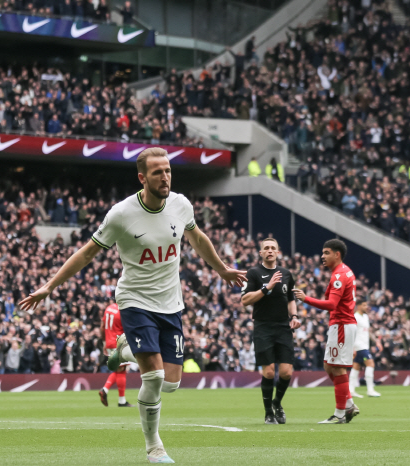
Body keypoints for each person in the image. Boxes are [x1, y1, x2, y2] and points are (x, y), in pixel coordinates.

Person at [20, 148, 246, 464]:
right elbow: (86, 253)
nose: (165, 177)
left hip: (171, 304)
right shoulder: (121, 214)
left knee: (171, 383)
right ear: (142, 177)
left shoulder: (181, 205)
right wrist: (49, 286)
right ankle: (155, 448)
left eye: (167, 170)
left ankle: (125, 350)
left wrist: (221, 268)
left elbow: (197, 238)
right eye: (157, 172)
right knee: (152, 377)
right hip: (135, 301)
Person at [294, 239, 359, 424]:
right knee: (328, 366)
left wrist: (305, 299)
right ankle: (349, 404)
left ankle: (340, 414)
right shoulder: (344, 271)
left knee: (337, 368)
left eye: (326, 252)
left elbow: (331, 304)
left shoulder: (339, 276)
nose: (322, 256)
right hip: (340, 324)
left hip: (342, 325)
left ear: (337, 254)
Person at [240, 238, 300, 424]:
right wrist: (267, 288)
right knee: (268, 373)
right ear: (260, 253)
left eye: (273, 248)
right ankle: (268, 413)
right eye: (266, 248)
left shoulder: (286, 274)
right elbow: (245, 300)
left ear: (278, 252)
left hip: (283, 326)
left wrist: (295, 317)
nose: (270, 251)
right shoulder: (253, 273)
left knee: (286, 373)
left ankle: (277, 403)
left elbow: (291, 298)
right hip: (263, 326)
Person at [98, 300, 133, 408]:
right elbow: (128, 330)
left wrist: (104, 342)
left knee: (118, 370)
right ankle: (121, 401)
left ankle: (105, 389)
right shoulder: (123, 312)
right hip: (119, 343)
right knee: (122, 371)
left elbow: (102, 327)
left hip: (109, 342)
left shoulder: (109, 308)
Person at [350, 301, 381, 398]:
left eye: (367, 305)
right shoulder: (355, 317)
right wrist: (352, 348)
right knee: (370, 363)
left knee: (356, 367)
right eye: (364, 305)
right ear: (358, 306)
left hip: (364, 345)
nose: (366, 307)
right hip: (359, 346)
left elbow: (368, 331)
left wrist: (376, 341)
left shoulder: (365, 317)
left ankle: (350, 390)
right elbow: (351, 333)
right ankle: (370, 390)